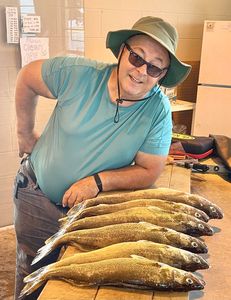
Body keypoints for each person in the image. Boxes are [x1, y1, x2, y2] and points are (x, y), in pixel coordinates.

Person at [13, 16, 191, 299]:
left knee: (79, 284)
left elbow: (149, 170)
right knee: (32, 273)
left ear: (163, 74)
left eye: (155, 66)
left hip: (93, 211)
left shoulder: (158, 111)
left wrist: (97, 182)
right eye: (137, 57)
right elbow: (27, 78)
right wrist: (25, 134)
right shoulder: (78, 73)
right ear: (122, 51)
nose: (142, 71)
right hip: (38, 197)